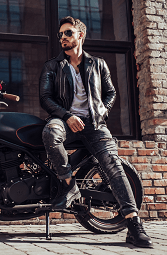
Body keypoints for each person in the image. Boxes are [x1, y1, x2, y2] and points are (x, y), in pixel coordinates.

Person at [39, 16, 152, 248]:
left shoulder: (98, 64)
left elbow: (110, 93)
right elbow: (45, 98)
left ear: (80, 35)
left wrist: (101, 114)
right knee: (50, 134)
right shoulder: (52, 66)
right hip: (64, 120)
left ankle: (133, 225)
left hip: (95, 125)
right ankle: (70, 185)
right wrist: (67, 116)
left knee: (113, 164)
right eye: (61, 34)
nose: (63, 38)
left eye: (68, 33)